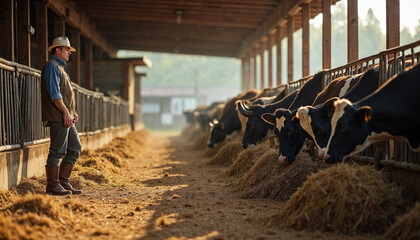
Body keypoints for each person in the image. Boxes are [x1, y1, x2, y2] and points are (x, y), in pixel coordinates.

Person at [41, 36, 82, 195]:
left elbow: (63, 94)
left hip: (65, 116)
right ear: (57, 50)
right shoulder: (52, 67)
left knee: (74, 148)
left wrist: (72, 112)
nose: (69, 53)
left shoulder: (60, 67)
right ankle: (53, 185)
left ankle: (63, 182)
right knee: (57, 151)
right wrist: (66, 112)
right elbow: (54, 94)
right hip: (58, 116)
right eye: (67, 50)